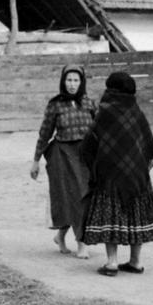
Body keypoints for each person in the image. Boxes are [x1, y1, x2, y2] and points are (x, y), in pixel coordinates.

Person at [80, 71, 153, 277]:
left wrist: (92, 163)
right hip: (136, 175)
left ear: (111, 90)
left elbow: (89, 144)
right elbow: (148, 145)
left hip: (110, 175)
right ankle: (135, 262)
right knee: (136, 216)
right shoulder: (137, 113)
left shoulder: (105, 112)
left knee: (112, 217)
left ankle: (112, 263)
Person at [30, 65, 93, 257]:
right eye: (69, 80)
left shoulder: (89, 103)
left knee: (85, 196)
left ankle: (61, 236)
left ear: (81, 82)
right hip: (62, 156)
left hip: (85, 156)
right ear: (63, 82)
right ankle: (81, 243)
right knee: (69, 198)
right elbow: (45, 133)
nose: (72, 84)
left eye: (76, 80)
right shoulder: (55, 105)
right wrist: (36, 160)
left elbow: (99, 131)